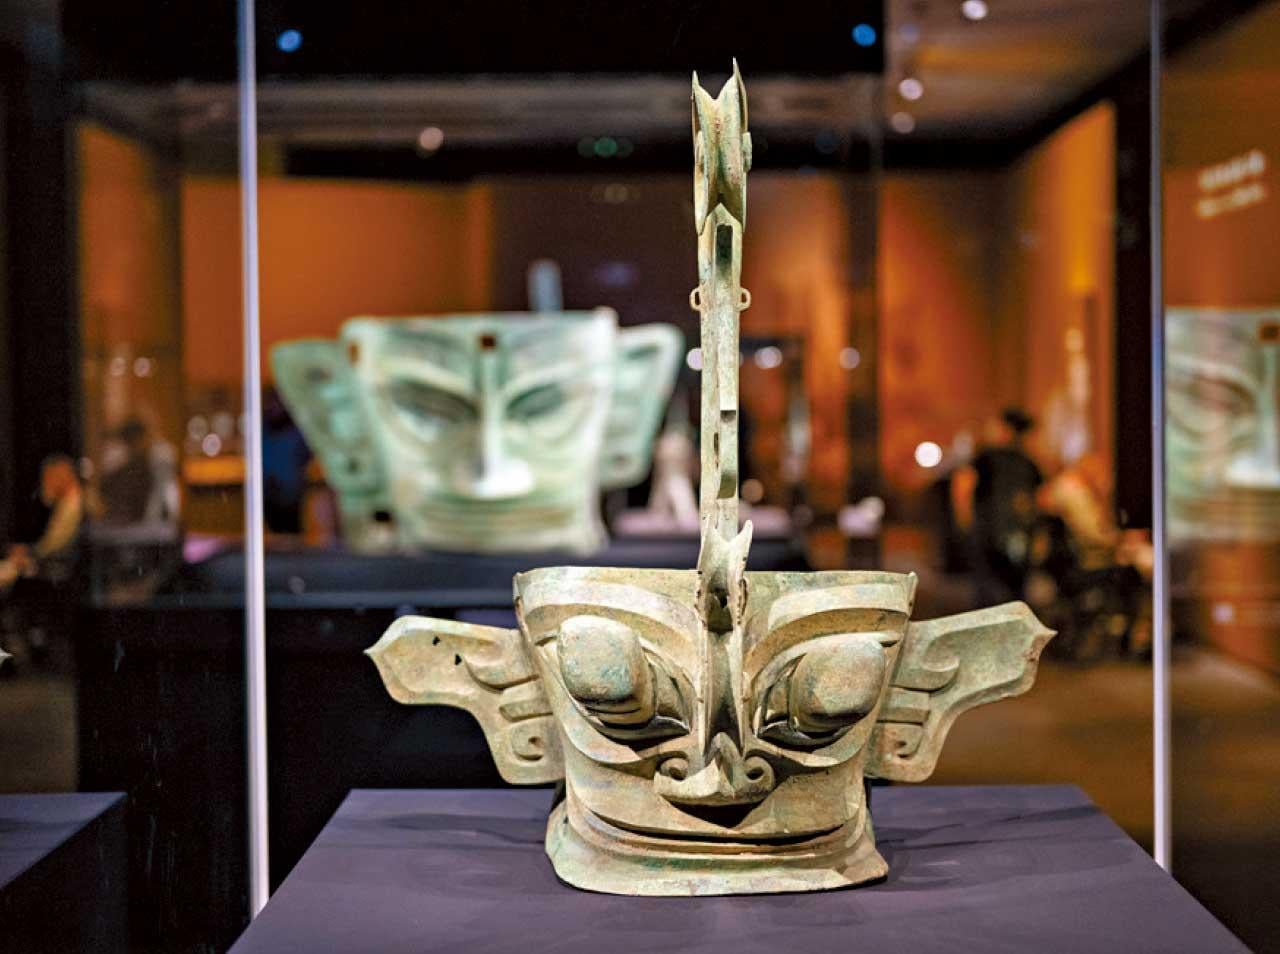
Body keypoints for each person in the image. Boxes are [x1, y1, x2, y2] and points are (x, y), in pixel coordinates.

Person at [0, 455, 85, 665]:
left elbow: (56, 547)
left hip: (56, 572)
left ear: (62, 475)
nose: (44, 483)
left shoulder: (74, 504)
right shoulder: (67, 503)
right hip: (49, 565)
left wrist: (29, 554)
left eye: (48, 477)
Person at [958, 408, 1043, 603]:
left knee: (989, 592)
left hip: (992, 531)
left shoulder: (989, 457)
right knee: (1013, 592)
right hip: (1011, 532)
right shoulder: (1025, 462)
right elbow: (1036, 498)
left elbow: (964, 485)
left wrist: (965, 520)